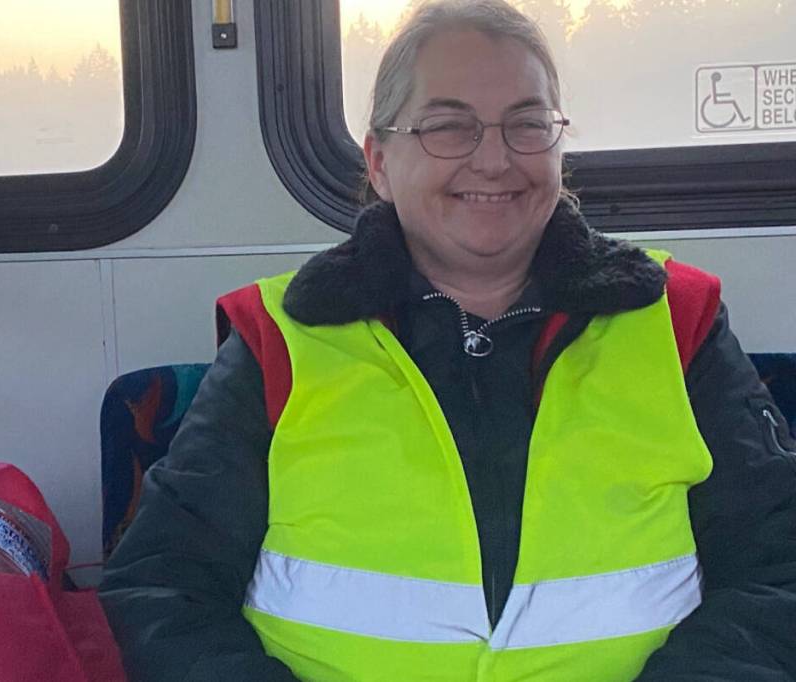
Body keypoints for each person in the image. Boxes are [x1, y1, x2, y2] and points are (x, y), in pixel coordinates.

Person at [99, 1, 796, 680]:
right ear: (379, 162)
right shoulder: (277, 339)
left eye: (527, 125)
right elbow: (163, 584)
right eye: (449, 127)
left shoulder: (677, 322)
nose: (494, 160)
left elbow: (779, 569)